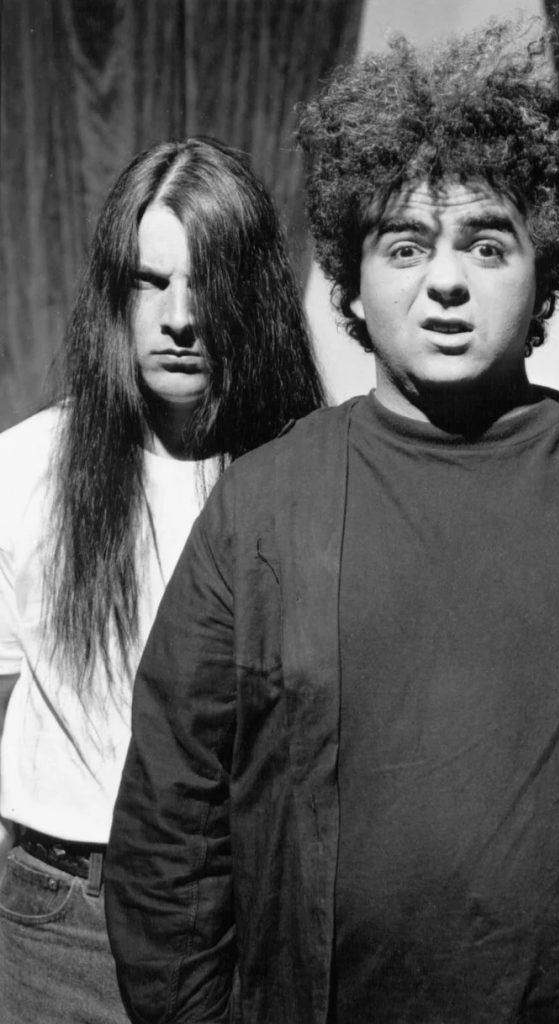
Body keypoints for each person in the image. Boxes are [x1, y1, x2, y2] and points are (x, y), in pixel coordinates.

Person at [105, 26, 559, 1024]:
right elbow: (167, 836)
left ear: (543, 268)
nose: (445, 280)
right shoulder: (261, 510)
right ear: (351, 280)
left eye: (485, 244)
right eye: (405, 245)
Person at [0, 135, 323, 1023]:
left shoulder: (308, 477)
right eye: (151, 282)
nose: (180, 317)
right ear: (115, 291)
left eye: (206, 282)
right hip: (59, 920)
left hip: (243, 917)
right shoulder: (24, 468)